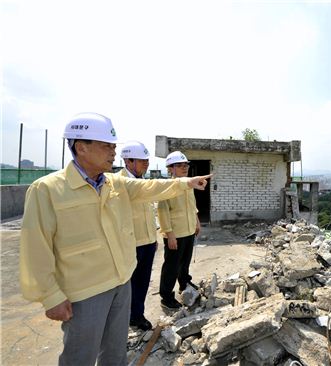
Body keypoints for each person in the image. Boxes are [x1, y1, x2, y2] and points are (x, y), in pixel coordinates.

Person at [19, 112, 211, 366]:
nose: (112, 152)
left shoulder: (114, 184)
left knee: (115, 353)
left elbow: (150, 187)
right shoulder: (47, 190)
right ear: (81, 147)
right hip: (84, 292)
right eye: (106, 146)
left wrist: (186, 182)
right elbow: (36, 248)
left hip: (121, 282)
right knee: (81, 356)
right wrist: (51, 295)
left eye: (113, 146)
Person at [118, 140, 156, 331]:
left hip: (149, 241)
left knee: (142, 282)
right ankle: (123, 318)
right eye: (142, 161)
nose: (146, 164)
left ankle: (137, 315)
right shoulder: (118, 182)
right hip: (130, 244)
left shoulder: (143, 182)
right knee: (127, 286)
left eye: (147, 161)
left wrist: (154, 238)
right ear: (128, 161)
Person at [158, 151, 200, 309]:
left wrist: (196, 222)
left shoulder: (189, 184)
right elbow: (162, 212)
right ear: (170, 168)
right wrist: (169, 235)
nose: (184, 168)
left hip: (188, 230)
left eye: (186, 165)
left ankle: (184, 283)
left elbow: (192, 206)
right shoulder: (166, 187)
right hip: (175, 234)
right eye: (180, 165)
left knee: (185, 262)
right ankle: (166, 297)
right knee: (171, 266)